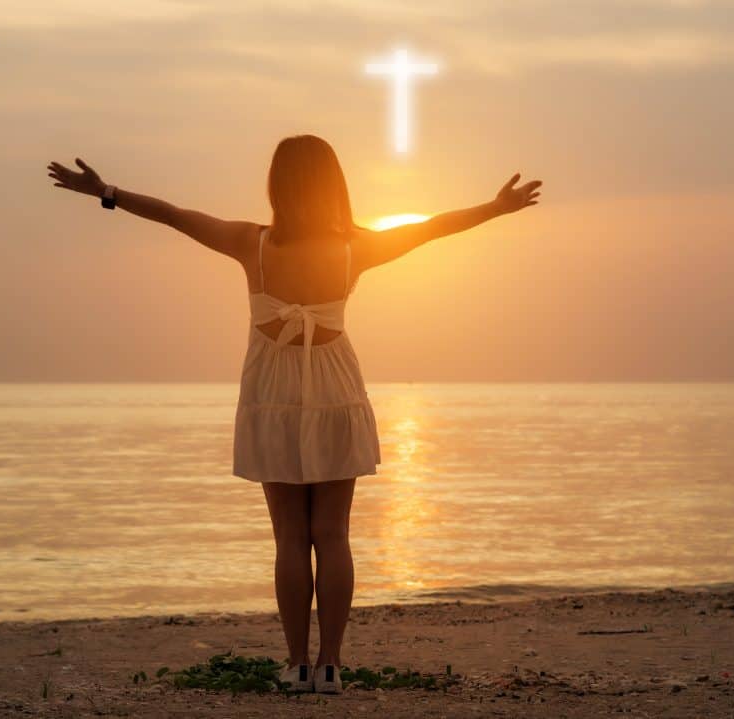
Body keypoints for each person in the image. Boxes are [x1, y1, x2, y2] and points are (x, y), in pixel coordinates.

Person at [46, 135, 541, 693]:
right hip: (333, 384)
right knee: (332, 533)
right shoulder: (359, 246)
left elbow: (172, 215)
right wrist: (494, 209)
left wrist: (104, 191)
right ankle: (331, 665)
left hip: (272, 389)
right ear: (335, 185)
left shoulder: (249, 242)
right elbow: (430, 228)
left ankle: (296, 663)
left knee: (289, 536)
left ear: (276, 185)